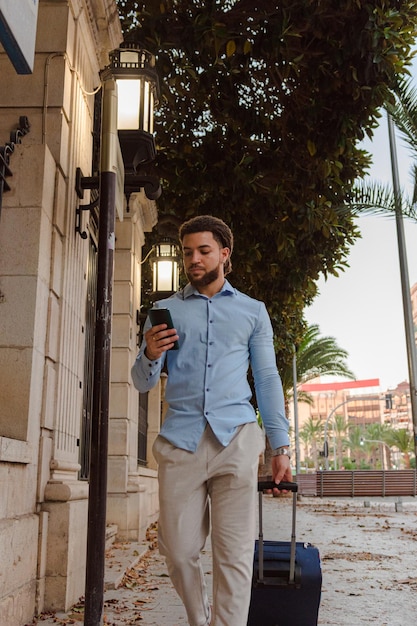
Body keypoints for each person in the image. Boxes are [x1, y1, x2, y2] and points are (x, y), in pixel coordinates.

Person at [131, 215, 292, 626]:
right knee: (179, 551)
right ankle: (199, 620)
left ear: (224, 253)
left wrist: (280, 446)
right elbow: (140, 381)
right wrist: (149, 354)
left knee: (234, 555)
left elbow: (267, 378)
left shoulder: (253, 312)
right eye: (188, 252)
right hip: (180, 442)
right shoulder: (163, 311)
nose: (194, 260)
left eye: (203, 251)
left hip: (236, 440)